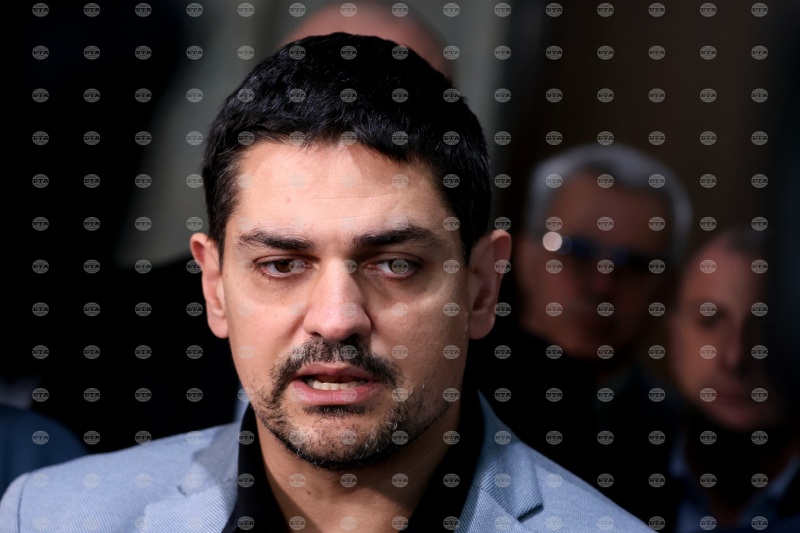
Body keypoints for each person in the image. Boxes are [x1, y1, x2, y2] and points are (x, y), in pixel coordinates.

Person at [1, 33, 652, 531]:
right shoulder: (49, 516)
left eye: (395, 263)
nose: (337, 318)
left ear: (482, 286)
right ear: (215, 286)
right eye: (282, 264)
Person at [473, 143, 693, 504]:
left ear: (668, 287)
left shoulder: (683, 444)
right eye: (577, 251)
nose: (602, 285)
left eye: (635, 265)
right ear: (524, 254)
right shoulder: (451, 387)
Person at [650, 227, 799, 532]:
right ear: (674, 337)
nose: (735, 357)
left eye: (765, 328)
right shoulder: (609, 475)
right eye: (710, 321)